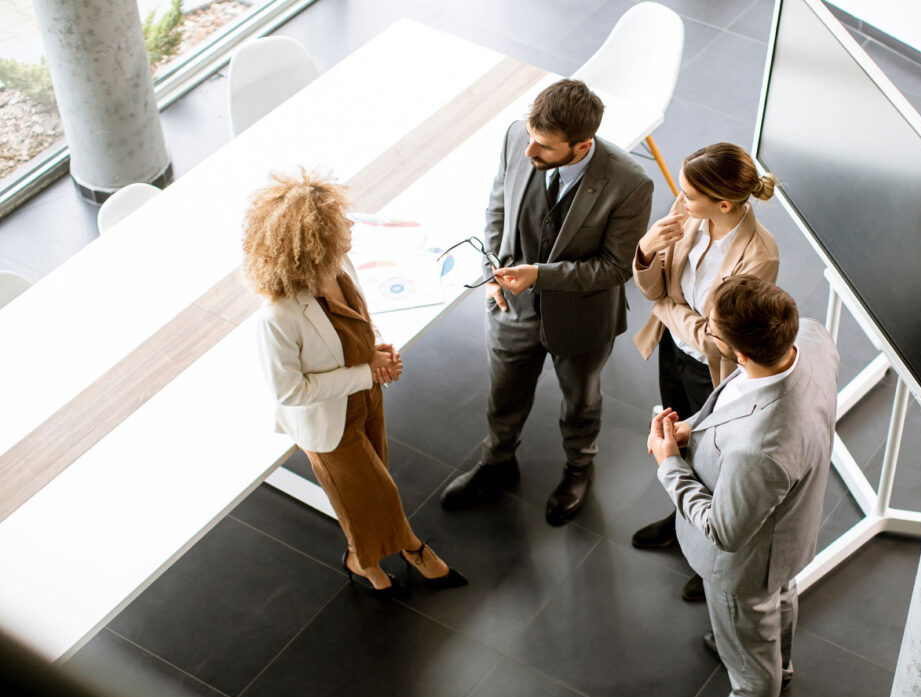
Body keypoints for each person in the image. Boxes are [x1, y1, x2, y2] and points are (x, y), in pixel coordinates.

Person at [439, 79, 654, 525]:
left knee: (581, 400)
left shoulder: (630, 184)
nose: (529, 152)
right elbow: (497, 208)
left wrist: (540, 277)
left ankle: (579, 468)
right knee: (503, 395)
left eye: (545, 147)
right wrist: (491, 271)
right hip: (509, 308)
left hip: (582, 318)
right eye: (532, 138)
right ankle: (497, 462)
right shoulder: (518, 135)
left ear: (581, 146)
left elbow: (616, 269)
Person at [244, 169, 467, 598]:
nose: (350, 226)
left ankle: (360, 558)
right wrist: (365, 371)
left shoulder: (339, 266)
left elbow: (355, 324)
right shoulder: (278, 315)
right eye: (338, 225)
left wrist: (375, 354)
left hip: (365, 397)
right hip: (328, 419)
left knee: (367, 488)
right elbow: (290, 391)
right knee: (374, 492)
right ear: (312, 243)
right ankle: (413, 549)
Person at [646, 276, 838, 697]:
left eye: (713, 329)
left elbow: (723, 530)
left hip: (746, 563)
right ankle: (783, 663)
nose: (707, 331)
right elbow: (736, 398)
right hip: (788, 532)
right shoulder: (810, 337)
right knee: (782, 598)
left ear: (742, 353)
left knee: (750, 661)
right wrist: (694, 429)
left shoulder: (763, 447)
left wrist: (667, 461)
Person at [630, 143, 780, 602]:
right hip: (671, 352)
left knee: (708, 461)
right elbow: (655, 289)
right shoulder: (689, 218)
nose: (681, 199)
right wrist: (647, 249)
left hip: (710, 371)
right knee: (674, 436)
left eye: (691, 194)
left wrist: (669, 308)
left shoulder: (759, 256)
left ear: (725, 204)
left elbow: (718, 339)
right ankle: (681, 522)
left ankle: (705, 549)